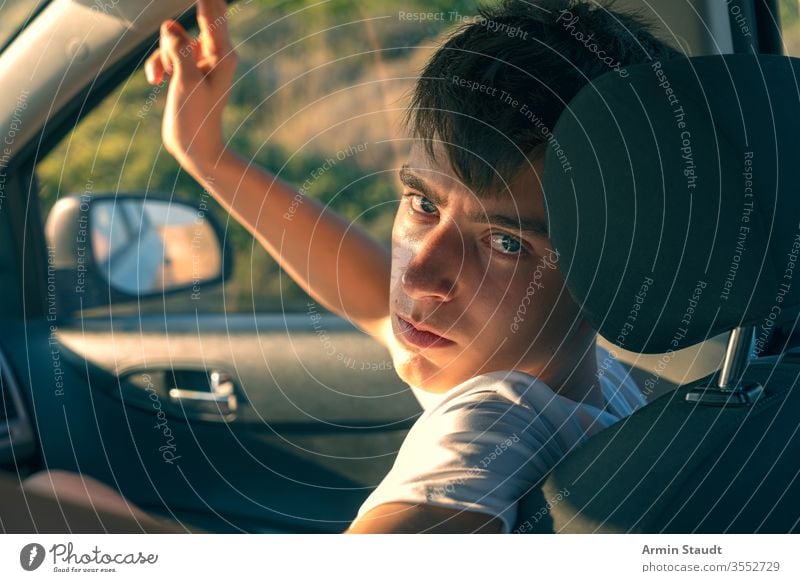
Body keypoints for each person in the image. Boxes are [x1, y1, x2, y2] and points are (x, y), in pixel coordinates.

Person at [26, 0, 680, 533]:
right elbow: (374, 294)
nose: (420, 275)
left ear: (614, 266)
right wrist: (207, 155)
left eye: (506, 242)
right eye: (423, 203)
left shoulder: (488, 429)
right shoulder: (601, 386)